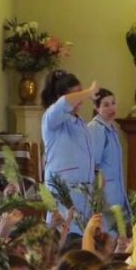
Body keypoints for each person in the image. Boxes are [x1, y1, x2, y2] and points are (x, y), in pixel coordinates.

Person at [41, 70, 98, 234]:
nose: (81, 98)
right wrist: (88, 91)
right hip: (63, 192)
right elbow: (64, 103)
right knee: (64, 239)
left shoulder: (79, 122)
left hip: (84, 194)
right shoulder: (51, 117)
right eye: (76, 94)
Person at [87, 87, 132, 234]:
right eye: (106, 105)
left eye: (113, 103)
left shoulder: (111, 128)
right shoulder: (96, 128)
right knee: (108, 236)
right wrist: (99, 196)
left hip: (116, 193)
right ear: (96, 107)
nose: (111, 108)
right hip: (105, 195)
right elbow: (93, 164)